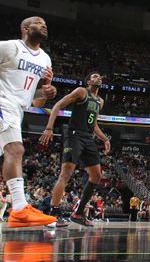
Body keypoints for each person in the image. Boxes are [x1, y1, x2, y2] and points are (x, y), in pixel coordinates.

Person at [0, 16, 58, 227]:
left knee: (10, 152)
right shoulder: (9, 47)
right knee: (16, 150)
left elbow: (36, 98)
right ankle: (19, 208)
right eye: (38, 22)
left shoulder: (45, 59)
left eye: (45, 23)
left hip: (18, 108)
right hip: (3, 101)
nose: (44, 25)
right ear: (25, 28)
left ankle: (19, 208)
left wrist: (47, 92)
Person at [39, 71, 111, 228]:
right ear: (88, 81)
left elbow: (94, 124)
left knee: (96, 175)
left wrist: (104, 139)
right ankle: (53, 214)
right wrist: (49, 127)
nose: (98, 78)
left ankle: (78, 213)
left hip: (88, 137)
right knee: (66, 172)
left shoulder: (100, 101)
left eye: (100, 76)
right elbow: (58, 105)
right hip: (74, 135)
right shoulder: (81, 91)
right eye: (94, 76)